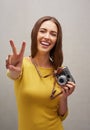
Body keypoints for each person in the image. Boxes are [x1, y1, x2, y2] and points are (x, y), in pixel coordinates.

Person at [6, 16, 76, 130]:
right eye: (43, 31)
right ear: (35, 34)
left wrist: (64, 97)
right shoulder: (21, 64)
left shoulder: (59, 72)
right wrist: (12, 67)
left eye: (53, 34)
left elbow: (61, 115)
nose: (47, 37)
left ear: (57, 40)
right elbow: (12, 74)